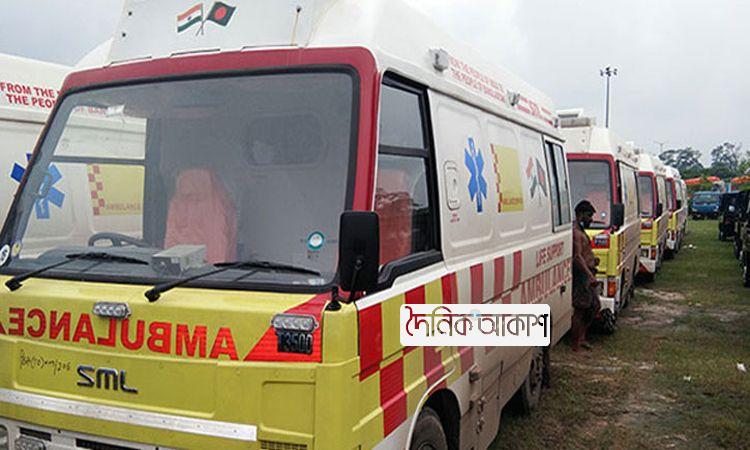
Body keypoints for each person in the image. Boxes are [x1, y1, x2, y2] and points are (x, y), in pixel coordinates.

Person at [571, 200, 601, 352]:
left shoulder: (581, 231)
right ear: (580, 214)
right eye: (589, 216)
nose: (591, 219)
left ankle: (581, 337)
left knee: (594, 306)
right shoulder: (576, 233)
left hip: (589, 271)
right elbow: (577, 257)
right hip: (583, 275)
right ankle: (575, 344)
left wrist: (593, 260)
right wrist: (589, 276)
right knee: (581, 309)